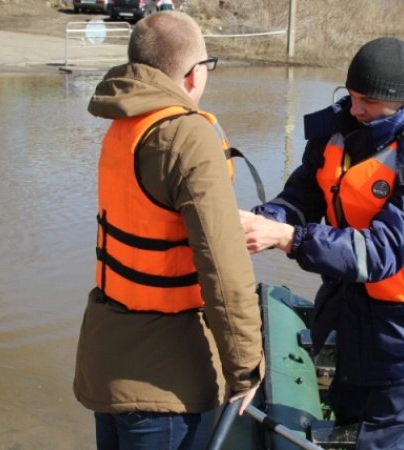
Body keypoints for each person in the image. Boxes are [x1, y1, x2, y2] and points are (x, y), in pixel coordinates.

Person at [240, 36, 404, 450]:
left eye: (369, 103)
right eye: (352, 96)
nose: (355, 109)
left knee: (382, 439)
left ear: (400, 101)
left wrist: (289, 238)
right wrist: (265, 220)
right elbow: (301, 197)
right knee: (346, 412)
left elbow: (382, 252)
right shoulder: (338, 130)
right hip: (350, 305)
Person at [73, 11, 265, 450]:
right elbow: (224, 265)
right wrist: (246, 368)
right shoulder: (187, 136)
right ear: (195, 74)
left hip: (107, 362)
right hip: (167, 384)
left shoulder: (123, 123)